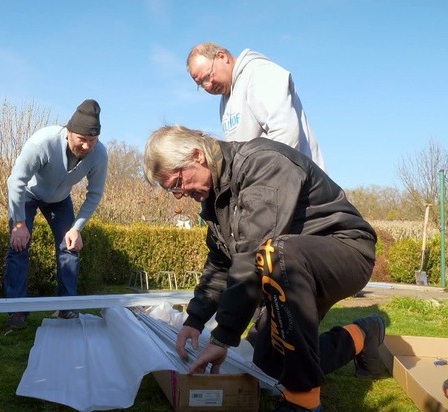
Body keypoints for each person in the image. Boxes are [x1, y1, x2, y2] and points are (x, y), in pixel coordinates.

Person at [142, 125, 385, 412]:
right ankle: (363, 335)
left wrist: (223, 337)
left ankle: (303, 401)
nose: (179, 195)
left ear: (196, 155)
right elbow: (220, 264)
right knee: (269, 365)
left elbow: (251, 255)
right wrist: (194, 320)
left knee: (275, 251)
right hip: (291, 263)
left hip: (346, 250)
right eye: (172, 190)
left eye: (178, 183)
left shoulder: (263, 163)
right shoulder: (216, 200)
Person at [4, 99, 108, 329]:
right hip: (28, 194)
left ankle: (66, 307)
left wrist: (76, 228)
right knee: (18, 247)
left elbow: (95, 193)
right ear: (69, 132)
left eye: (92, 140)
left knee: (69, 248)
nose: (87, 146)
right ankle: (17, 311)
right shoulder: (43, 142)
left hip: (60, 200)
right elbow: (16, 181)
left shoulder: (99, 154)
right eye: (82, 139)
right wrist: (18, 223)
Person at [186, 42, 326, 171]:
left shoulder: (260, 73)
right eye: (201, 84)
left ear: (222, 56)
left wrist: (266, 180)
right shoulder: (225, 100)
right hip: (264, 187)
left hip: (297, 184)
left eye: (207, 76)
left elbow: (285, 131)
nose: (208, 85)